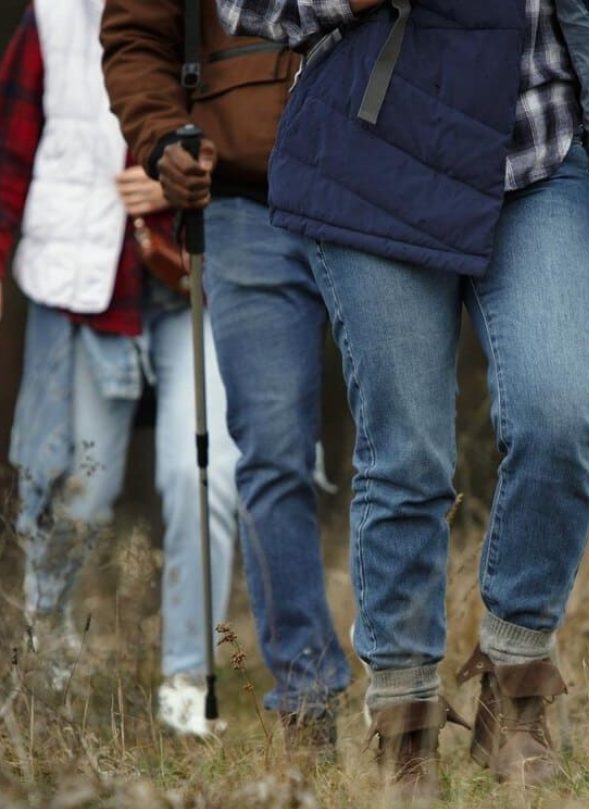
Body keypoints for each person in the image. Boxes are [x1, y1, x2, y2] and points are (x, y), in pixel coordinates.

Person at [214, 0, 589, 791]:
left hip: (537, 141)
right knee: (407, 453)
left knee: (562, 412)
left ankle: (516, 685)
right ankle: (405, 729)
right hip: (373, 147)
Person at [101, 0, 351, 760]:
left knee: (400, 446)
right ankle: (306, 703)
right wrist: (162, 138)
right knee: (270, 453)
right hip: (242, 198)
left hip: (373, 182)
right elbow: (135, 38)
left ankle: (407, 683)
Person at [0, 0, 239, 737]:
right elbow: (8, 163)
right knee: (73, 490)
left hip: (195, 283)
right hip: (79, 290)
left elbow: (266, 135)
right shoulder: (48, 22)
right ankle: (49, 669)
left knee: (204, 476)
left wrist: (193, 177)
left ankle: (187, 686)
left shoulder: (228, 13)